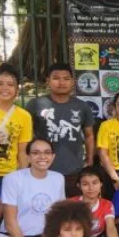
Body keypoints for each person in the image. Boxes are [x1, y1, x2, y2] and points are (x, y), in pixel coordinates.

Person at [25, 62, 95, 196]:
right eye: (56, 78)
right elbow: (25, 136)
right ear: (48, 81)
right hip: (43, 169)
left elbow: (89, 135)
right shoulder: (35, 105)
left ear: (73, 82)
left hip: (73, 171)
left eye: (66, 79)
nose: (61, 82)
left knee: (72, 212)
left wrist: (90, 160)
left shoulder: (82, 106)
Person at [1, 138, 65, 237]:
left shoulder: (58, 178)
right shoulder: (13, 179)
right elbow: (10, 223)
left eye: (47, 152)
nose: (42, 157)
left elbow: (57, 216)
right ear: (28, 157)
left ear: (53, 157)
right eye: (36, 153)